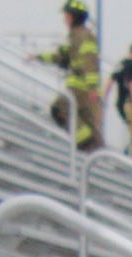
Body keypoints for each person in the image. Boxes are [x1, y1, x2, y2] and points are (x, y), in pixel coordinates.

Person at [38, 4, 101, 152]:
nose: (64, 20)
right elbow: (62, 57)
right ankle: (92, 148)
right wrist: (38, 57)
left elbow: (90, 62)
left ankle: (86, 144)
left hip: (80, 90)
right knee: (86, 123)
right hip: (80, 90)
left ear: (72, 17)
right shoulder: (75, 36)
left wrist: (92, 88)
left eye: (65, 16)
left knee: (58, 109)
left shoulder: (83, 36)